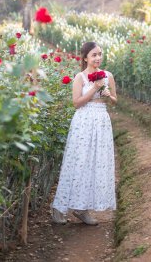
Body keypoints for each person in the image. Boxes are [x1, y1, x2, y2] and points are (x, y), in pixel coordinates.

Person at [51, 41, 117, 225]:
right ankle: (59, 208)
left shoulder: (108, 76)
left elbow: (114, 101)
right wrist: (95, 88)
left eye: (100, 54)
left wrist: (107, 95)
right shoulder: (80, 77)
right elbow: (76, 103)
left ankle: (82, 209)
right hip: (83, 122)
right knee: (78, 163)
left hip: (101, 121)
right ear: (86, 57)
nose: (97, 58)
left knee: (96, 164)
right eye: (94, 54)